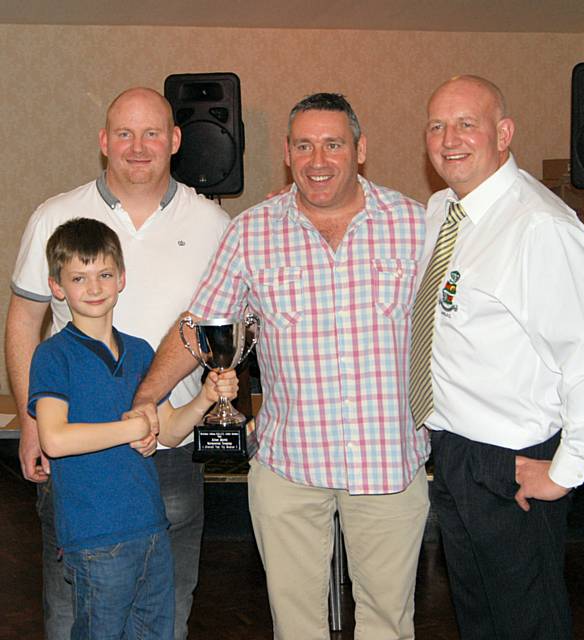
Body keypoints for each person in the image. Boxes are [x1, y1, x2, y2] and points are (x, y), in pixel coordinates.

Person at [132, 93, 431, 640]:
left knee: (389, 625)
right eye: (304, 146)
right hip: (290, 469)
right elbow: (201, 327)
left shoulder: (416, 226)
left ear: (360, 150)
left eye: (333, 144)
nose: (318, 160)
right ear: (288, 155)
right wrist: (145, 399)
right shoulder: (252, 231)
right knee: (296, 628)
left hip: (389, 466)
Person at [5, 87, 230, 639]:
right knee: (73, 607)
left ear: (175, 140)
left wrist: (207, 396)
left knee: (167, 604)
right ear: (104, 142)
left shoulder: (215, 225)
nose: (138, 147)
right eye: (124, 134)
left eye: (152, 133)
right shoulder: (56, 215)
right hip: (79, 455)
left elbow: (230, 326)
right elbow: (22, 321)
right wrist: (32, 423)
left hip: (170, 449)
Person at [410, 74, 584, 639]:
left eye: (466, 124)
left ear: (503, 133)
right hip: (454, 450)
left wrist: (569, 468)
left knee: (527, 624)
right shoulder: (443, 211)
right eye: (437, 125)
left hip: (512, 462)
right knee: (480, 619)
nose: (449, 138)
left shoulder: (539, 226)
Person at [28, 218, 237, 639]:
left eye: (104, 274)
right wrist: (130, 429)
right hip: (95, 538)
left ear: (121, 278)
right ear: (57, 287)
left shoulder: (140, 351)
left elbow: (168, 431)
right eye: (78, 277)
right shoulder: (54, 356)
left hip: (151, 529)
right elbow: (54, 438)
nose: (94, 287)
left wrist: (205, 398)